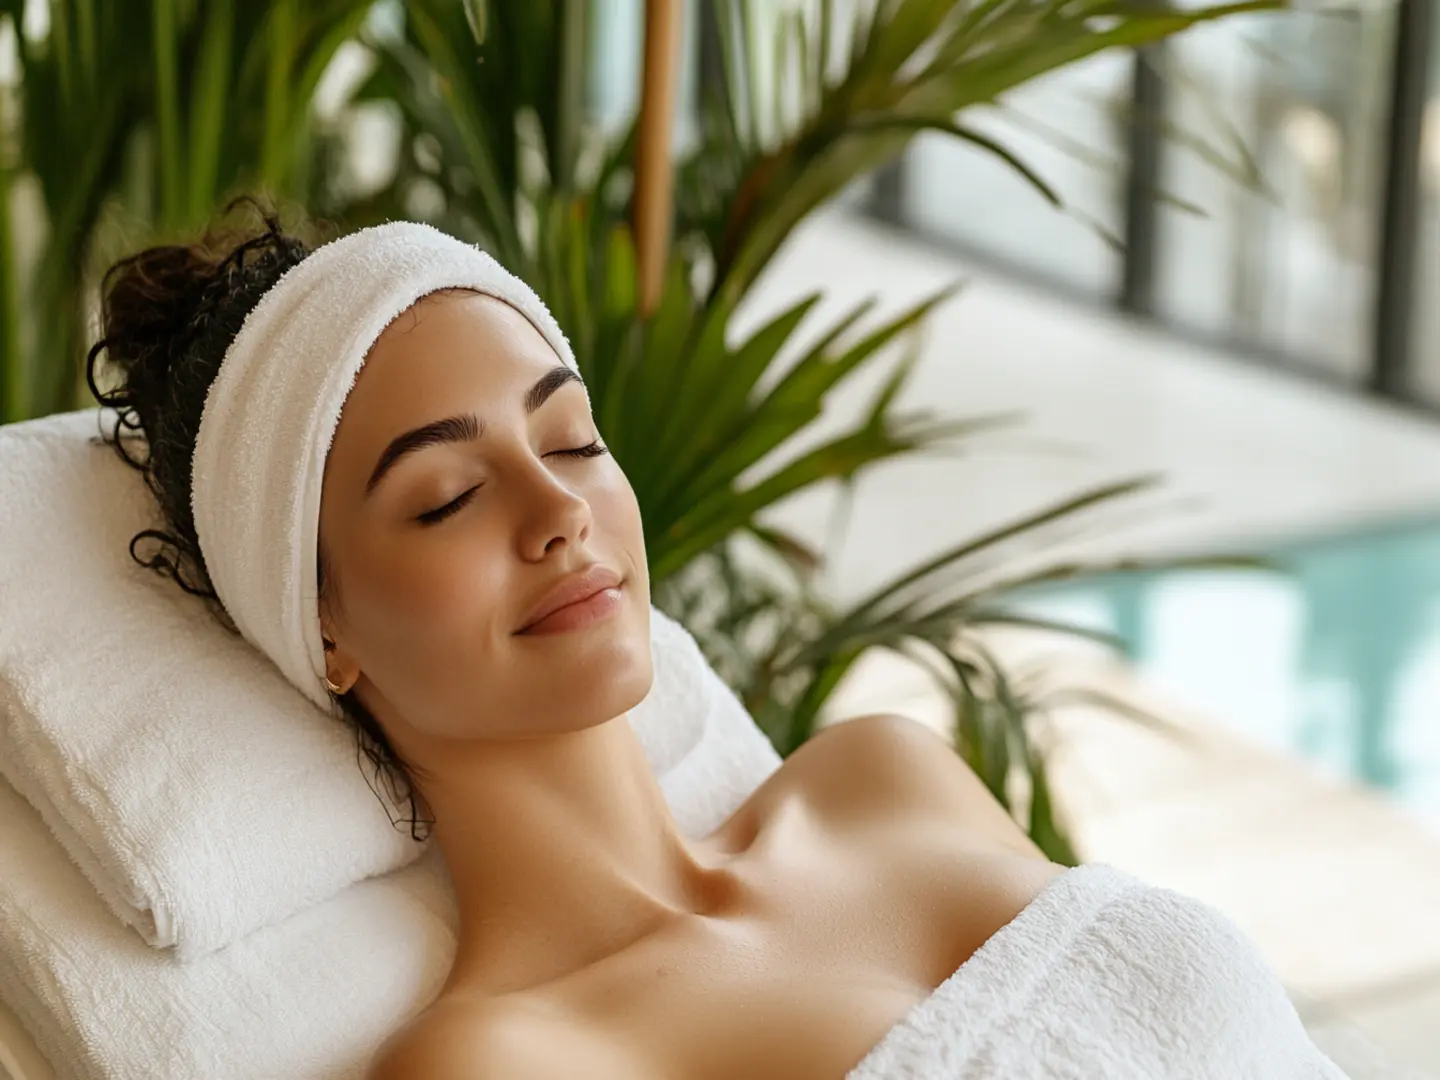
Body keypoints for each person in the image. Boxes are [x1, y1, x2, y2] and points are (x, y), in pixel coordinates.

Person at [87, 197, 1343, 1080]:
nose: (558, 511)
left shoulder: (882, 774)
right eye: (448, 497)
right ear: (326, 627)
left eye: (572, 439)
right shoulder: (504, 1059)